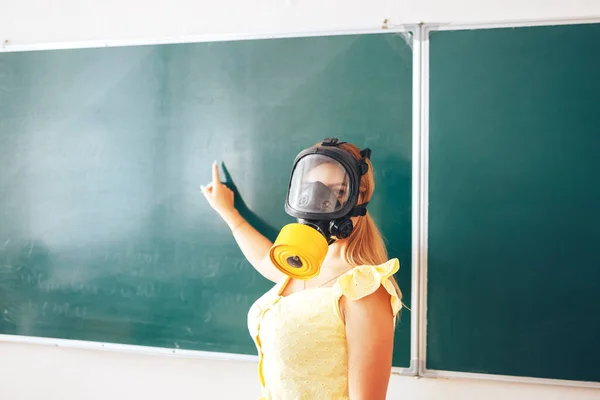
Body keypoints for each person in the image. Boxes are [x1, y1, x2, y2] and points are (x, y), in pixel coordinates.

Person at [201, 139, 402, 400]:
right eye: (312, 191)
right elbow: (264, 258)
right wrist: (228, 212)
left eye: (338, 192)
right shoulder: (301, 265)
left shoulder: (363, 289)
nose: (323, 203)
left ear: (360, 198)